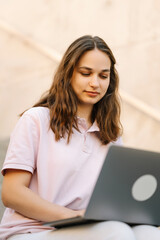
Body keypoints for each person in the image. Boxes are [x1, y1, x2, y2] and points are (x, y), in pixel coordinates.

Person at [0, 35, 160, 240]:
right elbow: (11, 193)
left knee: (149, 234)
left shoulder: (110, 134)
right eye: (86, 73)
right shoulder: (36, 120)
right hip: (32, 231)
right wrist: (72, 216)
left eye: (103, 76)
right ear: (69, 74)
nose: (95, 83)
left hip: (84, 229)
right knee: (115, 232)